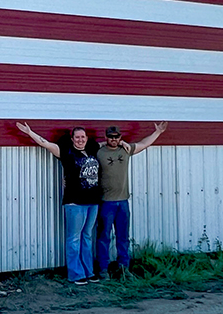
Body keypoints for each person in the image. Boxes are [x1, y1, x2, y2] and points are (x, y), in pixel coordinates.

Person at [16, 122, 102, 285]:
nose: (80, 140)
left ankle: (89, 271)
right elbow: (44, 143)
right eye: (77, 137)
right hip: (74, 202)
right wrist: (30, 132)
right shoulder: (65, 152)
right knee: (74, 238)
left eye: (83, 137)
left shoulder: (93, 150)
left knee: (88, 236)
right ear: (72, 139)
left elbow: (111, 144)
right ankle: (76, 274)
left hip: (93, 201)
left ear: (87, 138)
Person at [96, 122, 168, 279]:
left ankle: (124, 268)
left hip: (123, 202)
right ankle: (103, 269)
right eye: (110, 137)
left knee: (123, 237)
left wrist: (157, 133)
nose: (113, 139)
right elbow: (83, 146)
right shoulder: (99, 151)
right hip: (106, 203)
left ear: (120, 137)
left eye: (116, 137)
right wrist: (101, 143)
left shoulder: (126, 149)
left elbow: (143, 144)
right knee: (104, 237)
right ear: (106, 137)